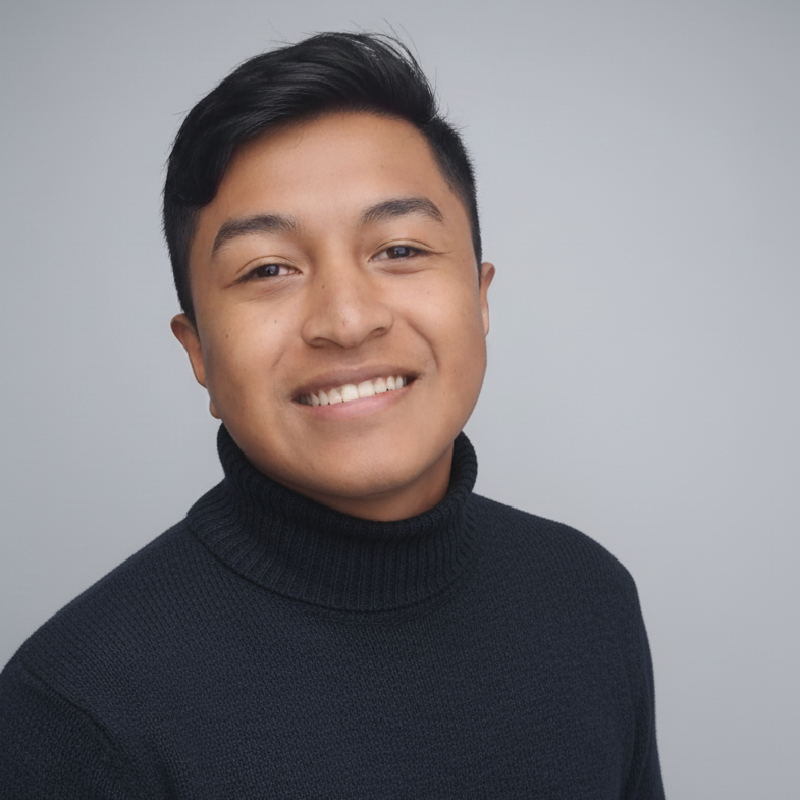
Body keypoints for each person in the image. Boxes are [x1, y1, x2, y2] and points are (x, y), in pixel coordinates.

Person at [0, 33, 665, 798]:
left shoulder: (588, 600)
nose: (347, 321)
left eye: (400, 250)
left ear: (480, 299)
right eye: (269, 268)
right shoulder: (76, 712)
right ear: (199, 352)